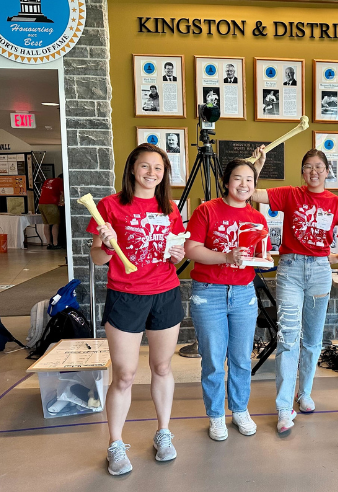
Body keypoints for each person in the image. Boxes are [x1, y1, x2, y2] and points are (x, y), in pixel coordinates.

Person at [87, 143, 186, 475]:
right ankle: (115, 443)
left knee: (161, 368)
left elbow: (176, 253)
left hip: (166, 293)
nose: (151, 173)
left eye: (157, 168)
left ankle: (164, 433)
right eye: (145, 166)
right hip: (126, 296)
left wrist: (177, 255)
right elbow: (98, 258)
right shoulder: (111, 206)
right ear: (132, 169)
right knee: (125, 375)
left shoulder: (170, 208)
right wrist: (103, 240)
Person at [250, 147, 338, 433]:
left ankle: (304, 393)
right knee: (288, 338)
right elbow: (251, 193)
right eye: (308, 166)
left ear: (327, 170)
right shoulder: (291, 194)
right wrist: (258, 166)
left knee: (312, 341)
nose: (314, 171)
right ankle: (284, 407)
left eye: (319, 166)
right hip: (291, 270)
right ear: (303, 172)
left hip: (320, 271)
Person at [184, 159, 273, 442]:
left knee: (241, 358)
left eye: (249, 179)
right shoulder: (206, 210)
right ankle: (215, 416)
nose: (244, 184)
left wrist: (265, 260)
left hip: (243, 293)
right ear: (226, 181)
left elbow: (262, 254)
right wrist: (226, 257)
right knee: (212, 359)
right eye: (238, 178)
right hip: (208, 292)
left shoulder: (258, 218)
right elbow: (191, 250)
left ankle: (239, 410)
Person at [38, 173, 64, 250]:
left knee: (47, 224)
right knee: (55, 224)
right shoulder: (60, 181)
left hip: (41, 204)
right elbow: (63, 193)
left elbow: (42, 192)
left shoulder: (47, 180)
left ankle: (49, 243)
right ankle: (55, 244)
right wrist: (63, 202)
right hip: (51, 204)